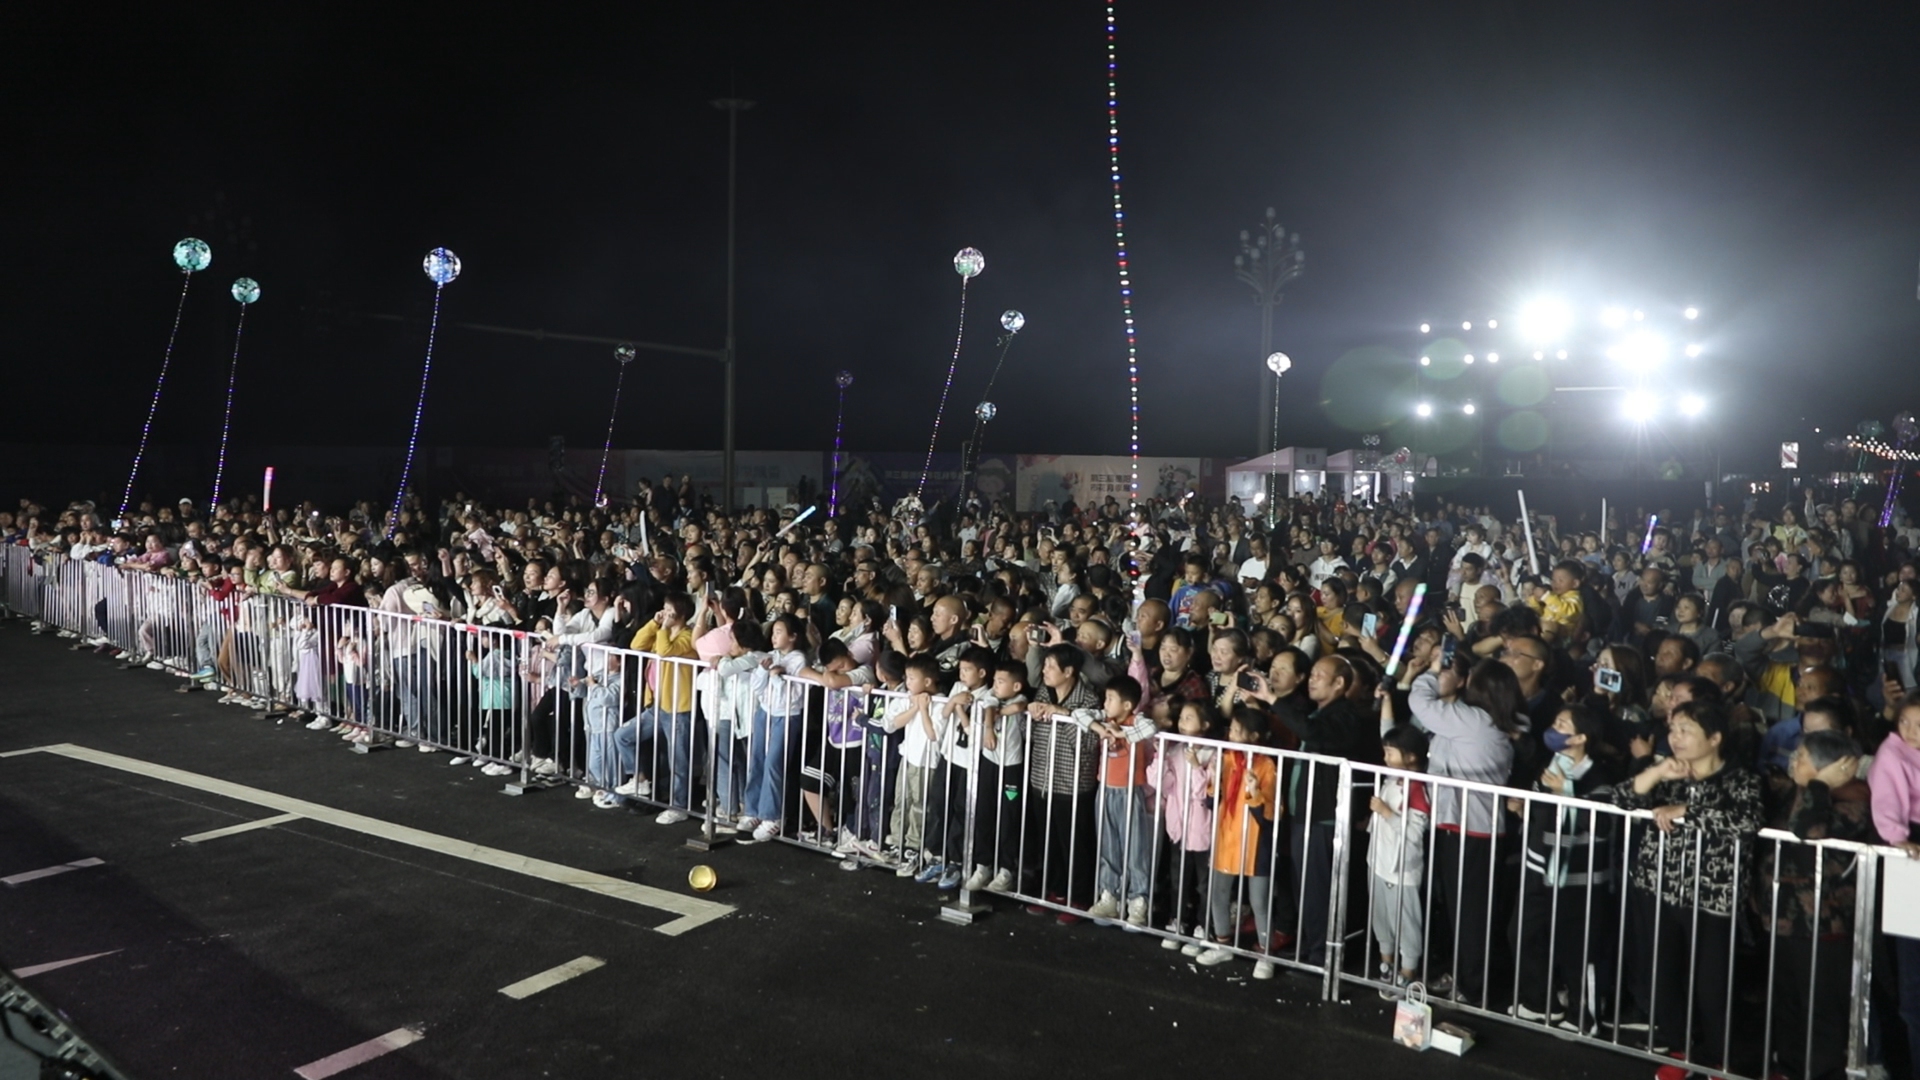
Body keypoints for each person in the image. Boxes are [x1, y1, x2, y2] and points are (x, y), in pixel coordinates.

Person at [1609, 700, 1763, 1079]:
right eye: (1673, 729)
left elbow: (1746, 820)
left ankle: (1721, 1060)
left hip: (1712, 898)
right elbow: (1620, 799)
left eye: (1686, 730)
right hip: (1659, 890)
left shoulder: (1740, 779)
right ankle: (1681, 1052)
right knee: (1663, 979)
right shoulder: (1668, 774)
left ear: (1715, 738)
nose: (1675, 738)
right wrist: (1658, 770)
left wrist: (1686, 812)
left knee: (1712, 986)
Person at [1397, 655, 1521, 1005]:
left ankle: (1473, 988)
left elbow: (1420, 701)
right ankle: (1462, 976)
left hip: (1474, 831)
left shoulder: (1477, 721)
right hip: (1458, 826)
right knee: (1459, 911)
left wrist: (1432, 673)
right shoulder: (1479, 721)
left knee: (1472, 916)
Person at [1755, 728, 1869, 1080]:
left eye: (1801, 757)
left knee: (1820, 1010)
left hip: (1823, 924)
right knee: (1787, 1003)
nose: (1793, 762)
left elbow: (1809, 829)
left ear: (1833, 767)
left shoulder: (1855, 801)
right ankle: (1789, 1069)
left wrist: (1820, 784)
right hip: (1782, 919)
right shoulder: (1796, 792)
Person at [1509, 704, 1625, 1032]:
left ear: (1580, 737)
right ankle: (1538, 1002)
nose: (1554, 728)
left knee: (1579, 949)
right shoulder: (1551, 764)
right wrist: (1523, 810)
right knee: (1523, 934)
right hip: (1539, 868)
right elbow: (1542, 812)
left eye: (1562, 724)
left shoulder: (1599, 777)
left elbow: (1602, 826)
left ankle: (1583, 1017)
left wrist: (1567, 792)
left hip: (1580, 878)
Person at [1195, 706, 1281, 981]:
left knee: (1259, 901)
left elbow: (1271, 814)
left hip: (1256, 842)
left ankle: (1266, 954)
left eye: (1236, 731)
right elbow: (1212, 801)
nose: (1230, 735)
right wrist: (1211, 779)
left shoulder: (1267, 765)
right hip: (1226, 835)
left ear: (1254, 736)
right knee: (1218, 893)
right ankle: (1222, 944)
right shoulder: (1226, 758)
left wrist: (1255, 792)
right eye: (1230, 729)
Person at [1868, 695, 1920, 1080]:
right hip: (1908, 862)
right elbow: (1886, 806)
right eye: (1904, 722)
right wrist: (1899, 838)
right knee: (1912, 976)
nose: (1910, 731)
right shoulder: (1892, 753)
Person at [1080, 675, 1158, 927]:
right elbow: (1079, 714)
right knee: (1108, 845)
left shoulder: (1138, 721)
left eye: (1110, 699)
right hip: (1105, 789)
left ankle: (1138, 900)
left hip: (1129, 792)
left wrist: (1120, 732)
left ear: (1127, 705)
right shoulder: (1105, 718)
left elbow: (1150, 729)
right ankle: (1109, 896)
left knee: (1135, 848)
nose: (1105, 703)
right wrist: (1101, 729)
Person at [1151, 698, 1219, 952]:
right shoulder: (1175, 750)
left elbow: (1205, 793)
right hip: (1178, 828)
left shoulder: (1214, 753)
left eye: (1189, 718)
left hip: (1202, 831)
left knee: (1203, 883)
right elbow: (1162, 784)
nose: (1182, 722)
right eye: (1181, 718)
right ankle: (1176, 921)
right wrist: (1160, 756)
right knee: (1178, 879)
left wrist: (1196, 767)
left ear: (1205, 724)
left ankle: (1203, 926)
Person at [1368, 723, 1431, 1000]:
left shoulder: (1417, 788)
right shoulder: (1392, 779)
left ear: (1411, 756)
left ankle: (1408, 973)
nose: (1385, 758)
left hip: (1402, 868)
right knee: (1381, 918)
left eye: (1390, 753)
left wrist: (1386, 813)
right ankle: (1387, 965)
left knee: (1406, 922)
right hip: (1378, 861)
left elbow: (1415, 834)